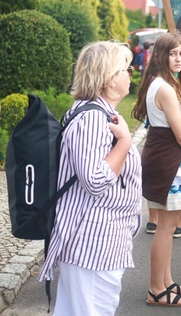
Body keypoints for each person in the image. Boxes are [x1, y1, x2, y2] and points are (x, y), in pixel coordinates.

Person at [37, 41, 142, 315]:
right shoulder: (93, 119)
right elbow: (94, 179)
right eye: (126, 69)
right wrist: (124, 144)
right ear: (109, 80)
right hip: (93, 242)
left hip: (97, 239)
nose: (131, 73)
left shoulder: (96, 113)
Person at [133, 31, 181, 307]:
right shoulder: (164, 87)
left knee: (170, 224)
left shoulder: (163, 82)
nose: (178, 58)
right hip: (168, 159)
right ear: (162, 56)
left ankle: (167, 282)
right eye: (172, 53)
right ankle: (156, 288)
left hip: (167, 157)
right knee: (166, 227)